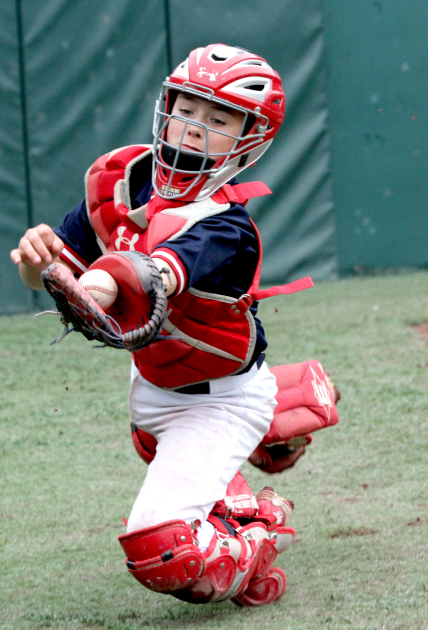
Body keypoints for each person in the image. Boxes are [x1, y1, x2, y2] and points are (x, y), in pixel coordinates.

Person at [11, 44, 339, 607]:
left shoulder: (226, 224)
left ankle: (260, 527)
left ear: (249, 139)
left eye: (218, 119)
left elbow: (151, 275)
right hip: (157, 390)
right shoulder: (123, 179)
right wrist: (40, 267)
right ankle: (253, 456)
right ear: (167, 105)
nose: (194, 127)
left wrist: (95, 284)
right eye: (188, 108)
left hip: (221, 399)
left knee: (162, 553)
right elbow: (48, 272)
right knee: (150, 438)